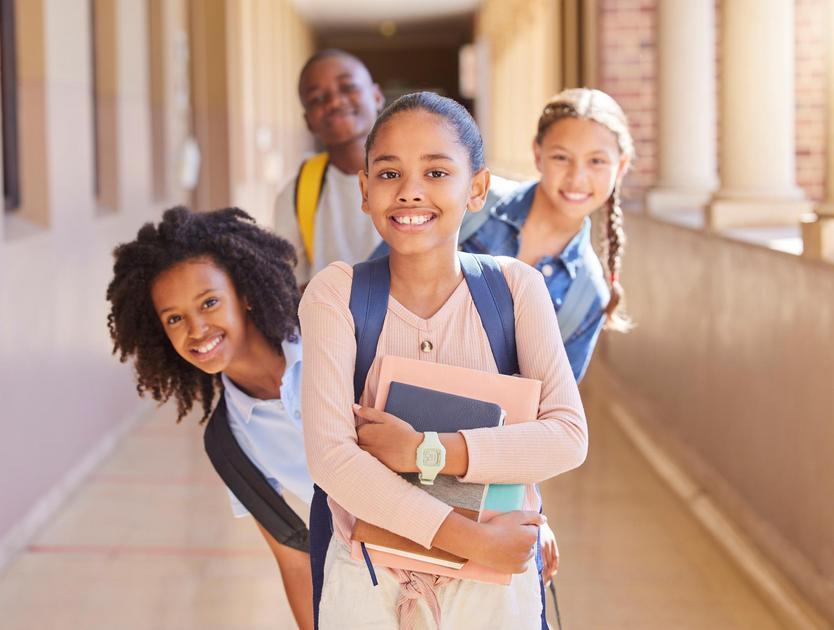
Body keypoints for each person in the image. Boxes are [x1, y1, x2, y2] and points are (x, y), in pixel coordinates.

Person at [299, 92, 588, 629]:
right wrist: (472, 541)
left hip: (494, 592)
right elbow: (332, 459)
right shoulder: (336, 295)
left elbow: (568, 436)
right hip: (372, 580)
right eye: (388, 174)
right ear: (364, 191)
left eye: (436, 172)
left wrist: (425, 451)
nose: (410, 191)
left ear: (476, 187)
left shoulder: (514, 289)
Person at [106, 207, 314, 630]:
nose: (196, 329)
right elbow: (295, 561)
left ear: (245, 295)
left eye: (210, 302)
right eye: (175, 318)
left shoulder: (331, 335)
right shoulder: (229, 443)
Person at [462, 88, 634, 384]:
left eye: (596, 162)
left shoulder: (587, 296)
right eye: (561, 157)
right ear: (538, 154)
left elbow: (550, 413)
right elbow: (372, 289)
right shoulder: (472, 203)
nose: (577, 178)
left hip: (478, 429)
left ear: (620, 166)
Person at [274, 49, 386, 286]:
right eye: (317, 99)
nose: (335, 102)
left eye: (348, 88)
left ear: (376, 96)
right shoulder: (296, 194)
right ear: (308, 121)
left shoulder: (420, 176)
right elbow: (291, 286)